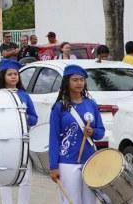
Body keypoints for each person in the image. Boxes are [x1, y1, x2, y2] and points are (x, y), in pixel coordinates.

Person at [48, 64, 105, 204]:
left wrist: (93, 132)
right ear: (67, 81)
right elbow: (54, 138)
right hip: (67, 162)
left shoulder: (91, 104)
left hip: (89, 160)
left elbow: (101, 132)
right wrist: (53, 166)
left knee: (90, 201)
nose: (79, 83)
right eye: (75, 80)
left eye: (82, 79)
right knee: (71, 200)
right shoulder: (59, 107)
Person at [0, 59, 37, 204]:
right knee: (4, 175)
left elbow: (34, 118)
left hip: (21, 141)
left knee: (25, 177)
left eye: (15, 74)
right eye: (10, 74)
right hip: (2, 141)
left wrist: (24, 117)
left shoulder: (24, 95)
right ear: (3, 77)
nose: (13, 77)